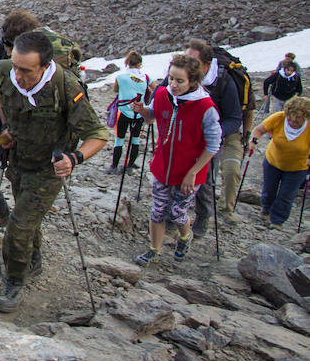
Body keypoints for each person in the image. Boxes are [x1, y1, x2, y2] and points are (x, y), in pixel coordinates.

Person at [0, 31, 108, 312]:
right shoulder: (5, 72)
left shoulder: (65, 86)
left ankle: (14, 282)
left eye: (26, 70)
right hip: (19, 161)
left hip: (48, 169)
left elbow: (98, 134)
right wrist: (6, 129)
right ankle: (33, 260)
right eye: (14, 65)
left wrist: (75, 157)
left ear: (44, 65)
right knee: (27, 217)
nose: (18, 75)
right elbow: (2, 102)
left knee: (19, 224)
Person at [0, 9, 82, 236]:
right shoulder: (10, 42)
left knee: (27, 186)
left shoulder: (49, 53)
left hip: (43, 125)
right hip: (7, 115)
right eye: (7, 47)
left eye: (12, 48)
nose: (8, 52)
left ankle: (29, 248)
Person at [131, 54, 221, 267]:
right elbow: (153, 116)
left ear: (193, 82)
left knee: (178, 213)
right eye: (171, 78)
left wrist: (193, 172)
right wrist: (143, 110)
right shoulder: (162, 93)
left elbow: (213, 145)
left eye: (179, 81)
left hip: (190, 172)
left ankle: (185, 236)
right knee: (158, 210)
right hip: (163, 166)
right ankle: (154, 250)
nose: (173, 84)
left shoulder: (205, 107)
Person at [185, 38, 246, 231]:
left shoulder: (223, 81)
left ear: (206, 64)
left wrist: (213, 133)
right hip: (183, 135)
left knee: (204, 180)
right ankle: (175, 215)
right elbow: (160, 94)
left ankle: (202, 217)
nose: (188, 66)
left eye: (193, 62)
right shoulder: (180, 75)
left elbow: (235, 118)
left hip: (209, 140)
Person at [248, 96, 310, 230]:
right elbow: (259, 130)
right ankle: (266, 210)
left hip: (297, 167)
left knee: (286, 194)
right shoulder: (279, 117)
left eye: (297, 120)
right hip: (273, 161)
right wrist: (253, 141)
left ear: (305, 117)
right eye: (291, 118)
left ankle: (277, 220)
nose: (293, 122)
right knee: (269, 189)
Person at [107, 50, 149, 174]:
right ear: (139, 64)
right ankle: (129, 166)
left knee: (119, 139)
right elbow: (155, 87)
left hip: (123, 111)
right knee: (135, 139)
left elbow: (116, 90)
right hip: (138, 112)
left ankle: (114, 166)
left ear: (127, 62)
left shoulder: (120, 77)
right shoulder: (146, 77)